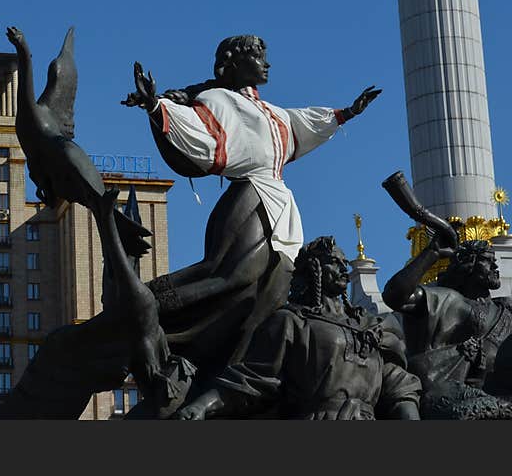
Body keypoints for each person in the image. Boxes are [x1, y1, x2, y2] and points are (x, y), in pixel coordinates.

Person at [123, 35, 380, 372]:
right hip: (250, 195)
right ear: (234, 63)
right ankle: (144, 304)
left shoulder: (272, 112)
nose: (267, 64)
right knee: (228, 275)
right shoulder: (217, 101)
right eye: (259, 56)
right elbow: (196, 132)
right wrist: (156, 105)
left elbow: (303, 123)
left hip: (281, 204)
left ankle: (236, 362)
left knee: (267, 293)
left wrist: (347, 113)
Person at [173, 237, 421, 420]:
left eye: (344, 263)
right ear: (314, 269)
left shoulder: (369, 327)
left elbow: (397, 383)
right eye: (334, 263)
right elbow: (253, 380)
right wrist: (202, 405)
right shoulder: (291, 322)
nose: (343, 269)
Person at [382, 237, 512, 418]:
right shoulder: (448, 301)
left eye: (494, 261)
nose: (495, 267)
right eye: (486, 260)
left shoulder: (506, 310)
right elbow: (395, 296)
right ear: (468, 265)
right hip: (453, 401)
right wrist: (432, 253)